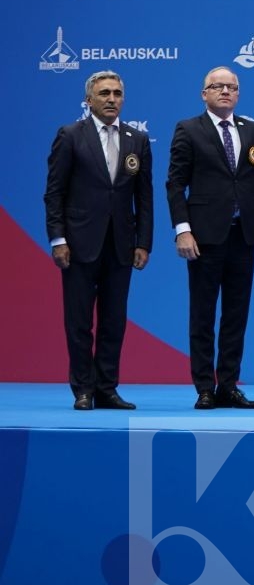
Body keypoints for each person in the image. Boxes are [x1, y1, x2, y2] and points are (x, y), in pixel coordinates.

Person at [166, 66, 254, 410]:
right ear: (204, 94)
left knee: (236, 314)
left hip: (243, 235)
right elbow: (175, 184)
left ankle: (228, 385)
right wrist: (182, 230)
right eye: (218, 87)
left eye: (232, 87)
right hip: (203, 236)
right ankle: (204, 387)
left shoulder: (252, 130)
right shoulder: (189, 129)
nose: (226, 92)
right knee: (203, 313)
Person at [44, 71, 154, 410]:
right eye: (104, 93)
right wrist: (58, 238)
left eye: (117, 93)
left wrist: (143, 242)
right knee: (79, 321)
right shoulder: (71, 135)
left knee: (113, 321)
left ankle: (107, 388)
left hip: (121, 244)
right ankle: (83, 389)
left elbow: (144, 197)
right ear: (89, 100)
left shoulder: (137, 139)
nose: (111, 99)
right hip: (78, 244)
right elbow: (54, 193)